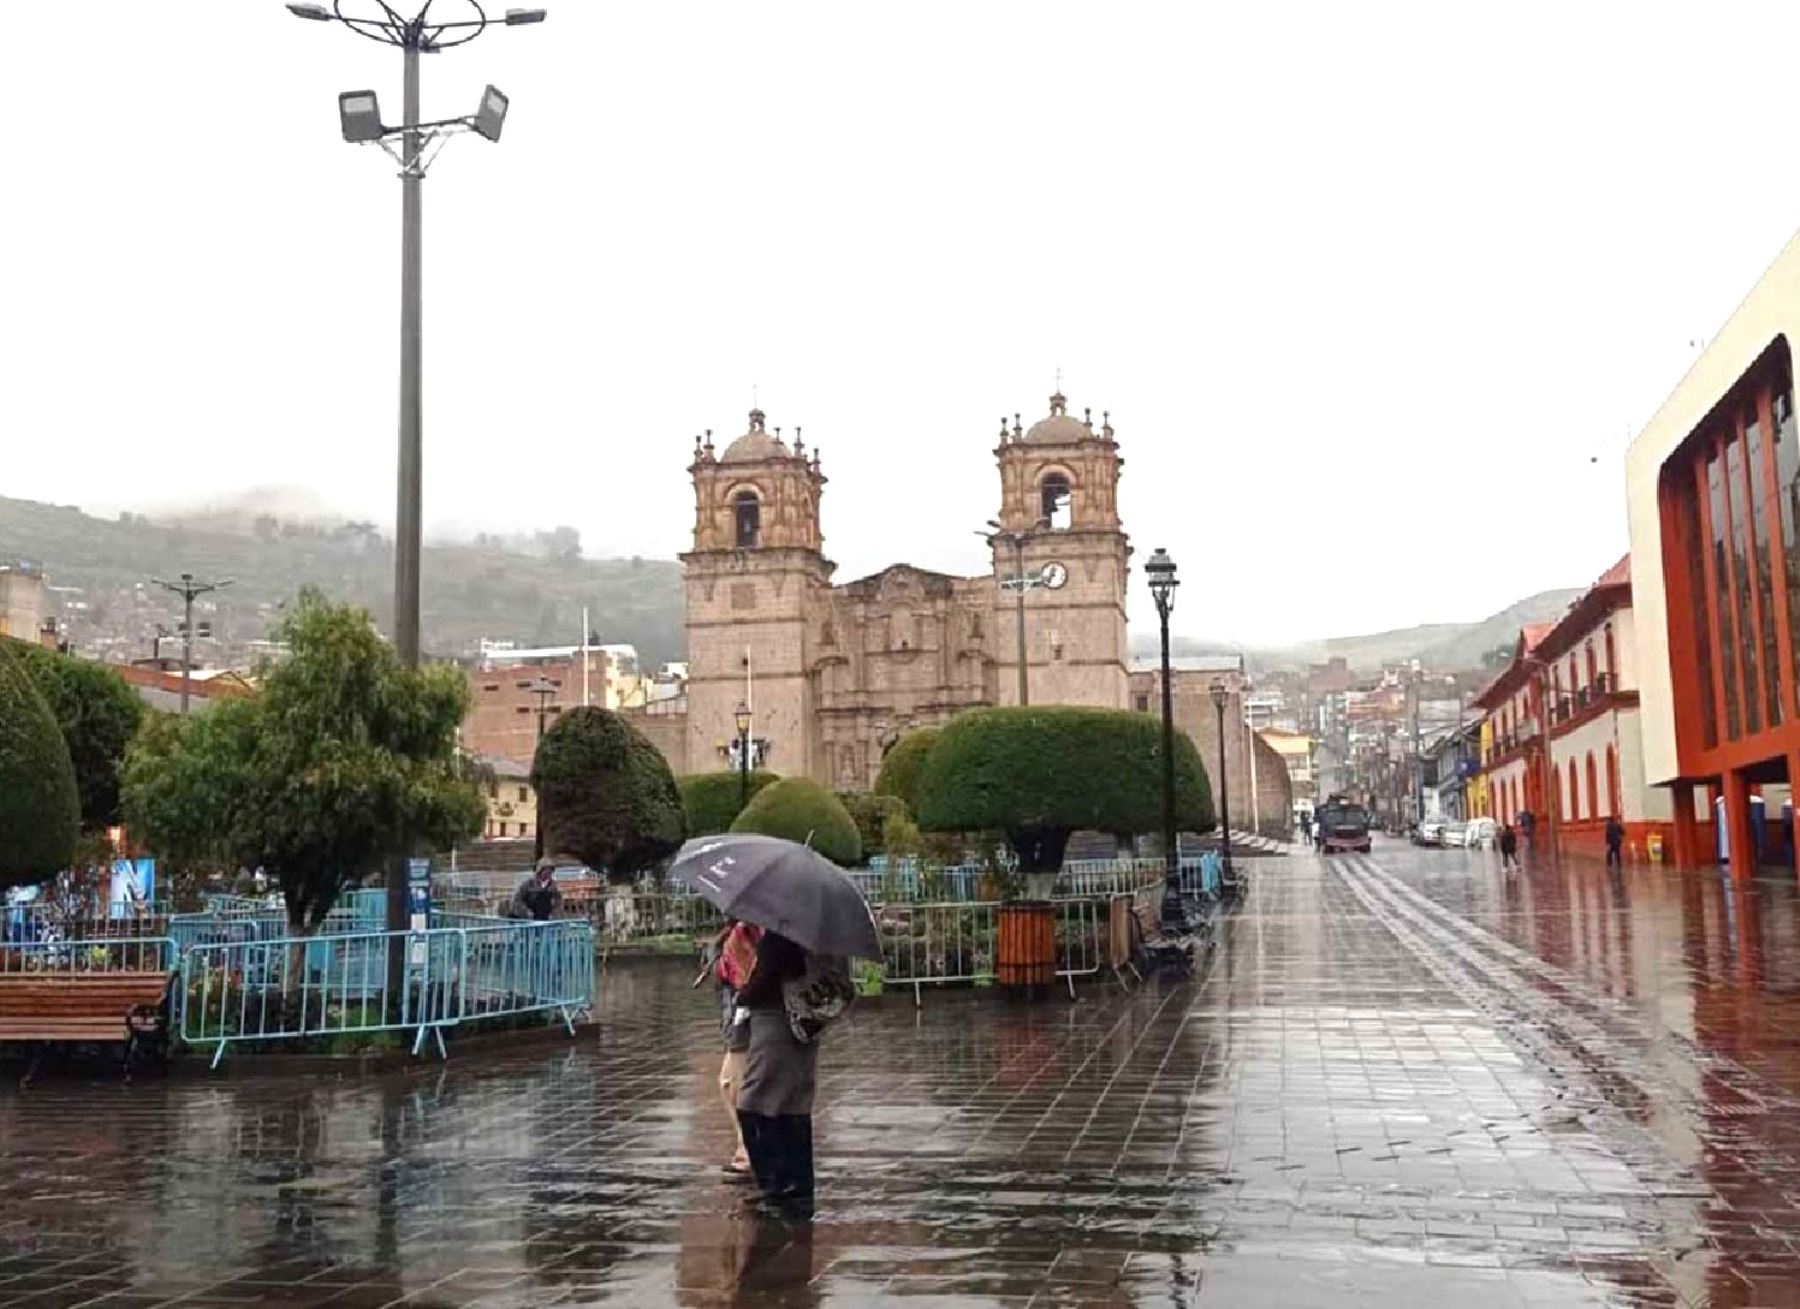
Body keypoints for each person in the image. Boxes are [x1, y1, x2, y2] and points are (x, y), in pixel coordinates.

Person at [734, 929, 817, 1216]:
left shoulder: (781, 936)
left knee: (753, 1104)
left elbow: (765, 979)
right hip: (802, 1023)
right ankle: (798, 1188)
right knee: (793, 1105)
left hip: (776, 1022)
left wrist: (742, 993)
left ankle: (777, 1186)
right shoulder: (808, 933)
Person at [713, 919, 761, 1180]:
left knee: (732, 1083)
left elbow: (745, 978)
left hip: (744, 1017)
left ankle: (748, 1152)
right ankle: (748, 1150)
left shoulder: (748, 931)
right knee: (733, 1083)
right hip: (738, 1015)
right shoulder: (738, 931)